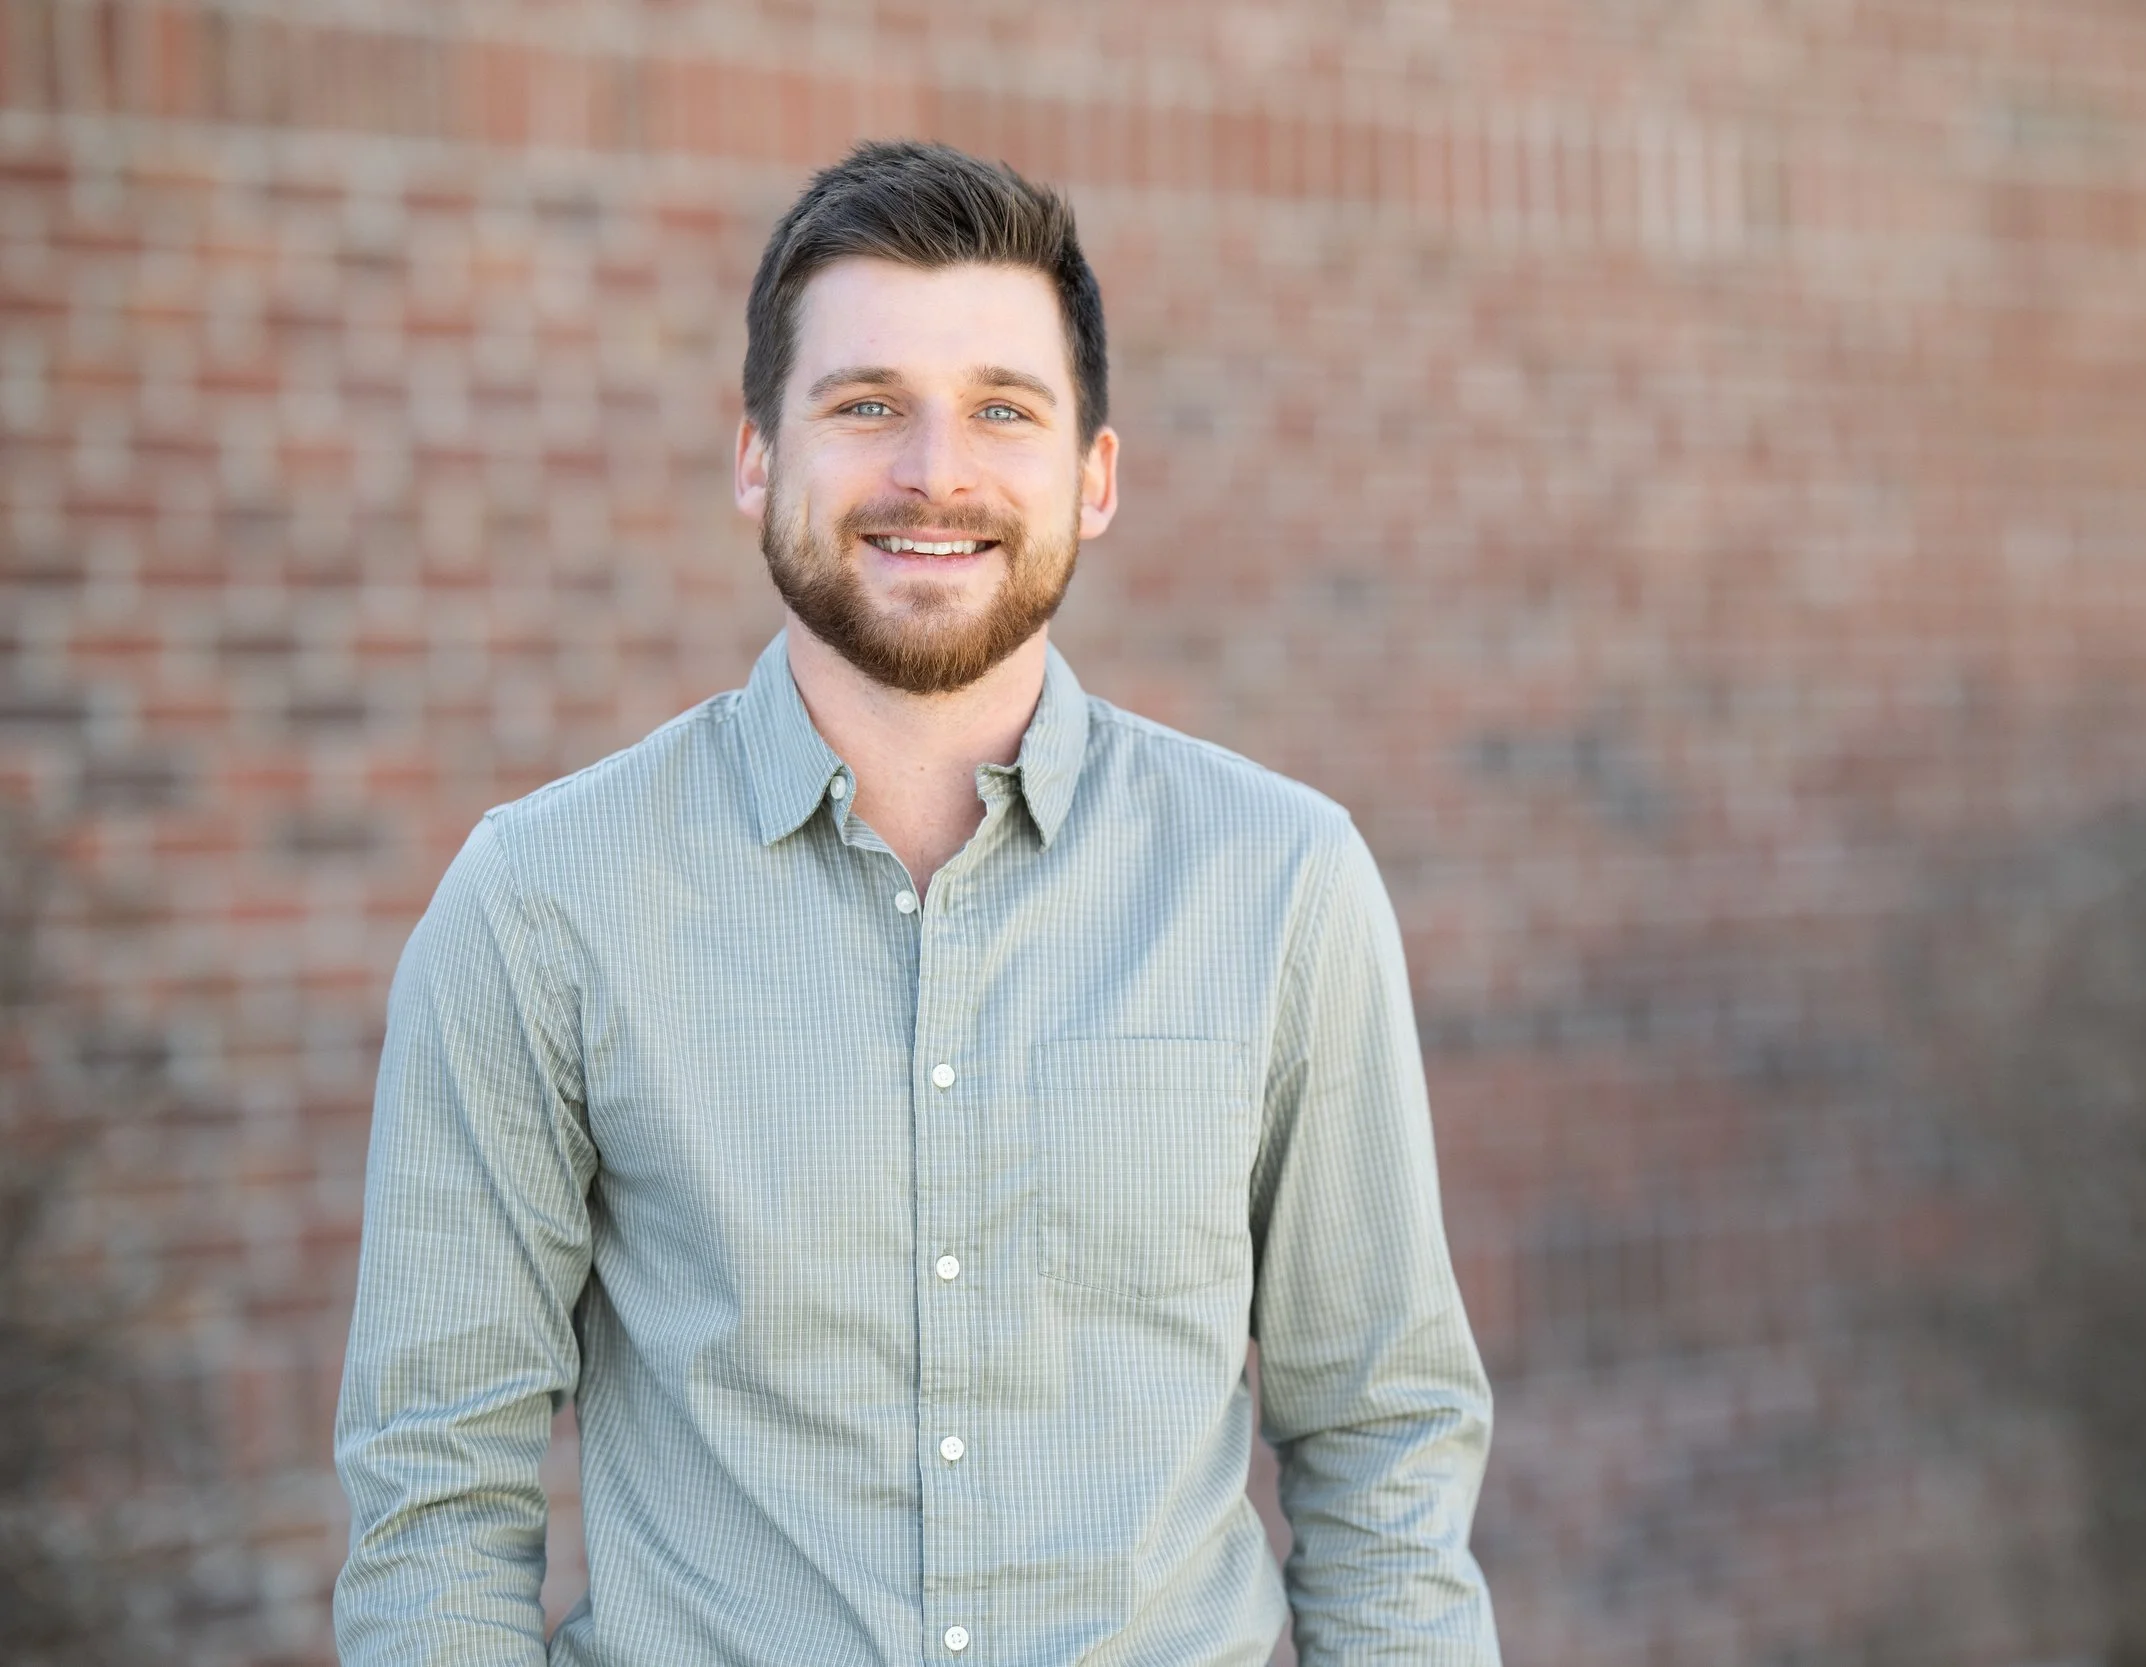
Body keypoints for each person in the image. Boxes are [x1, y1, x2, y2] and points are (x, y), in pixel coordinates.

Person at [333, 138, 1499, 1667]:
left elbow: (1385, 1447)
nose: (934, 471)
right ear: (757, 455)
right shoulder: (541, 906)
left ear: (1095, 478)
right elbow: (437, 1496)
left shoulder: (1281, 885)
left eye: (1002, 410)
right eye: (866, 404)